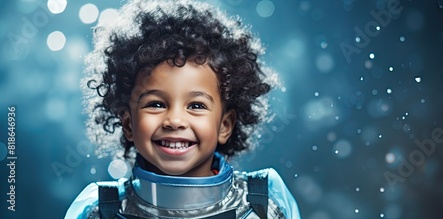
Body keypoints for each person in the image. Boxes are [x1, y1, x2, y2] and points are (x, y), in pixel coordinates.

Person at [65, 0, 300, 218]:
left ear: (225, 125)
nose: (175, 120)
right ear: (128, 123)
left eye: (196, 105)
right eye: (156, 104)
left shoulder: (264, 204)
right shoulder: (98, 210)